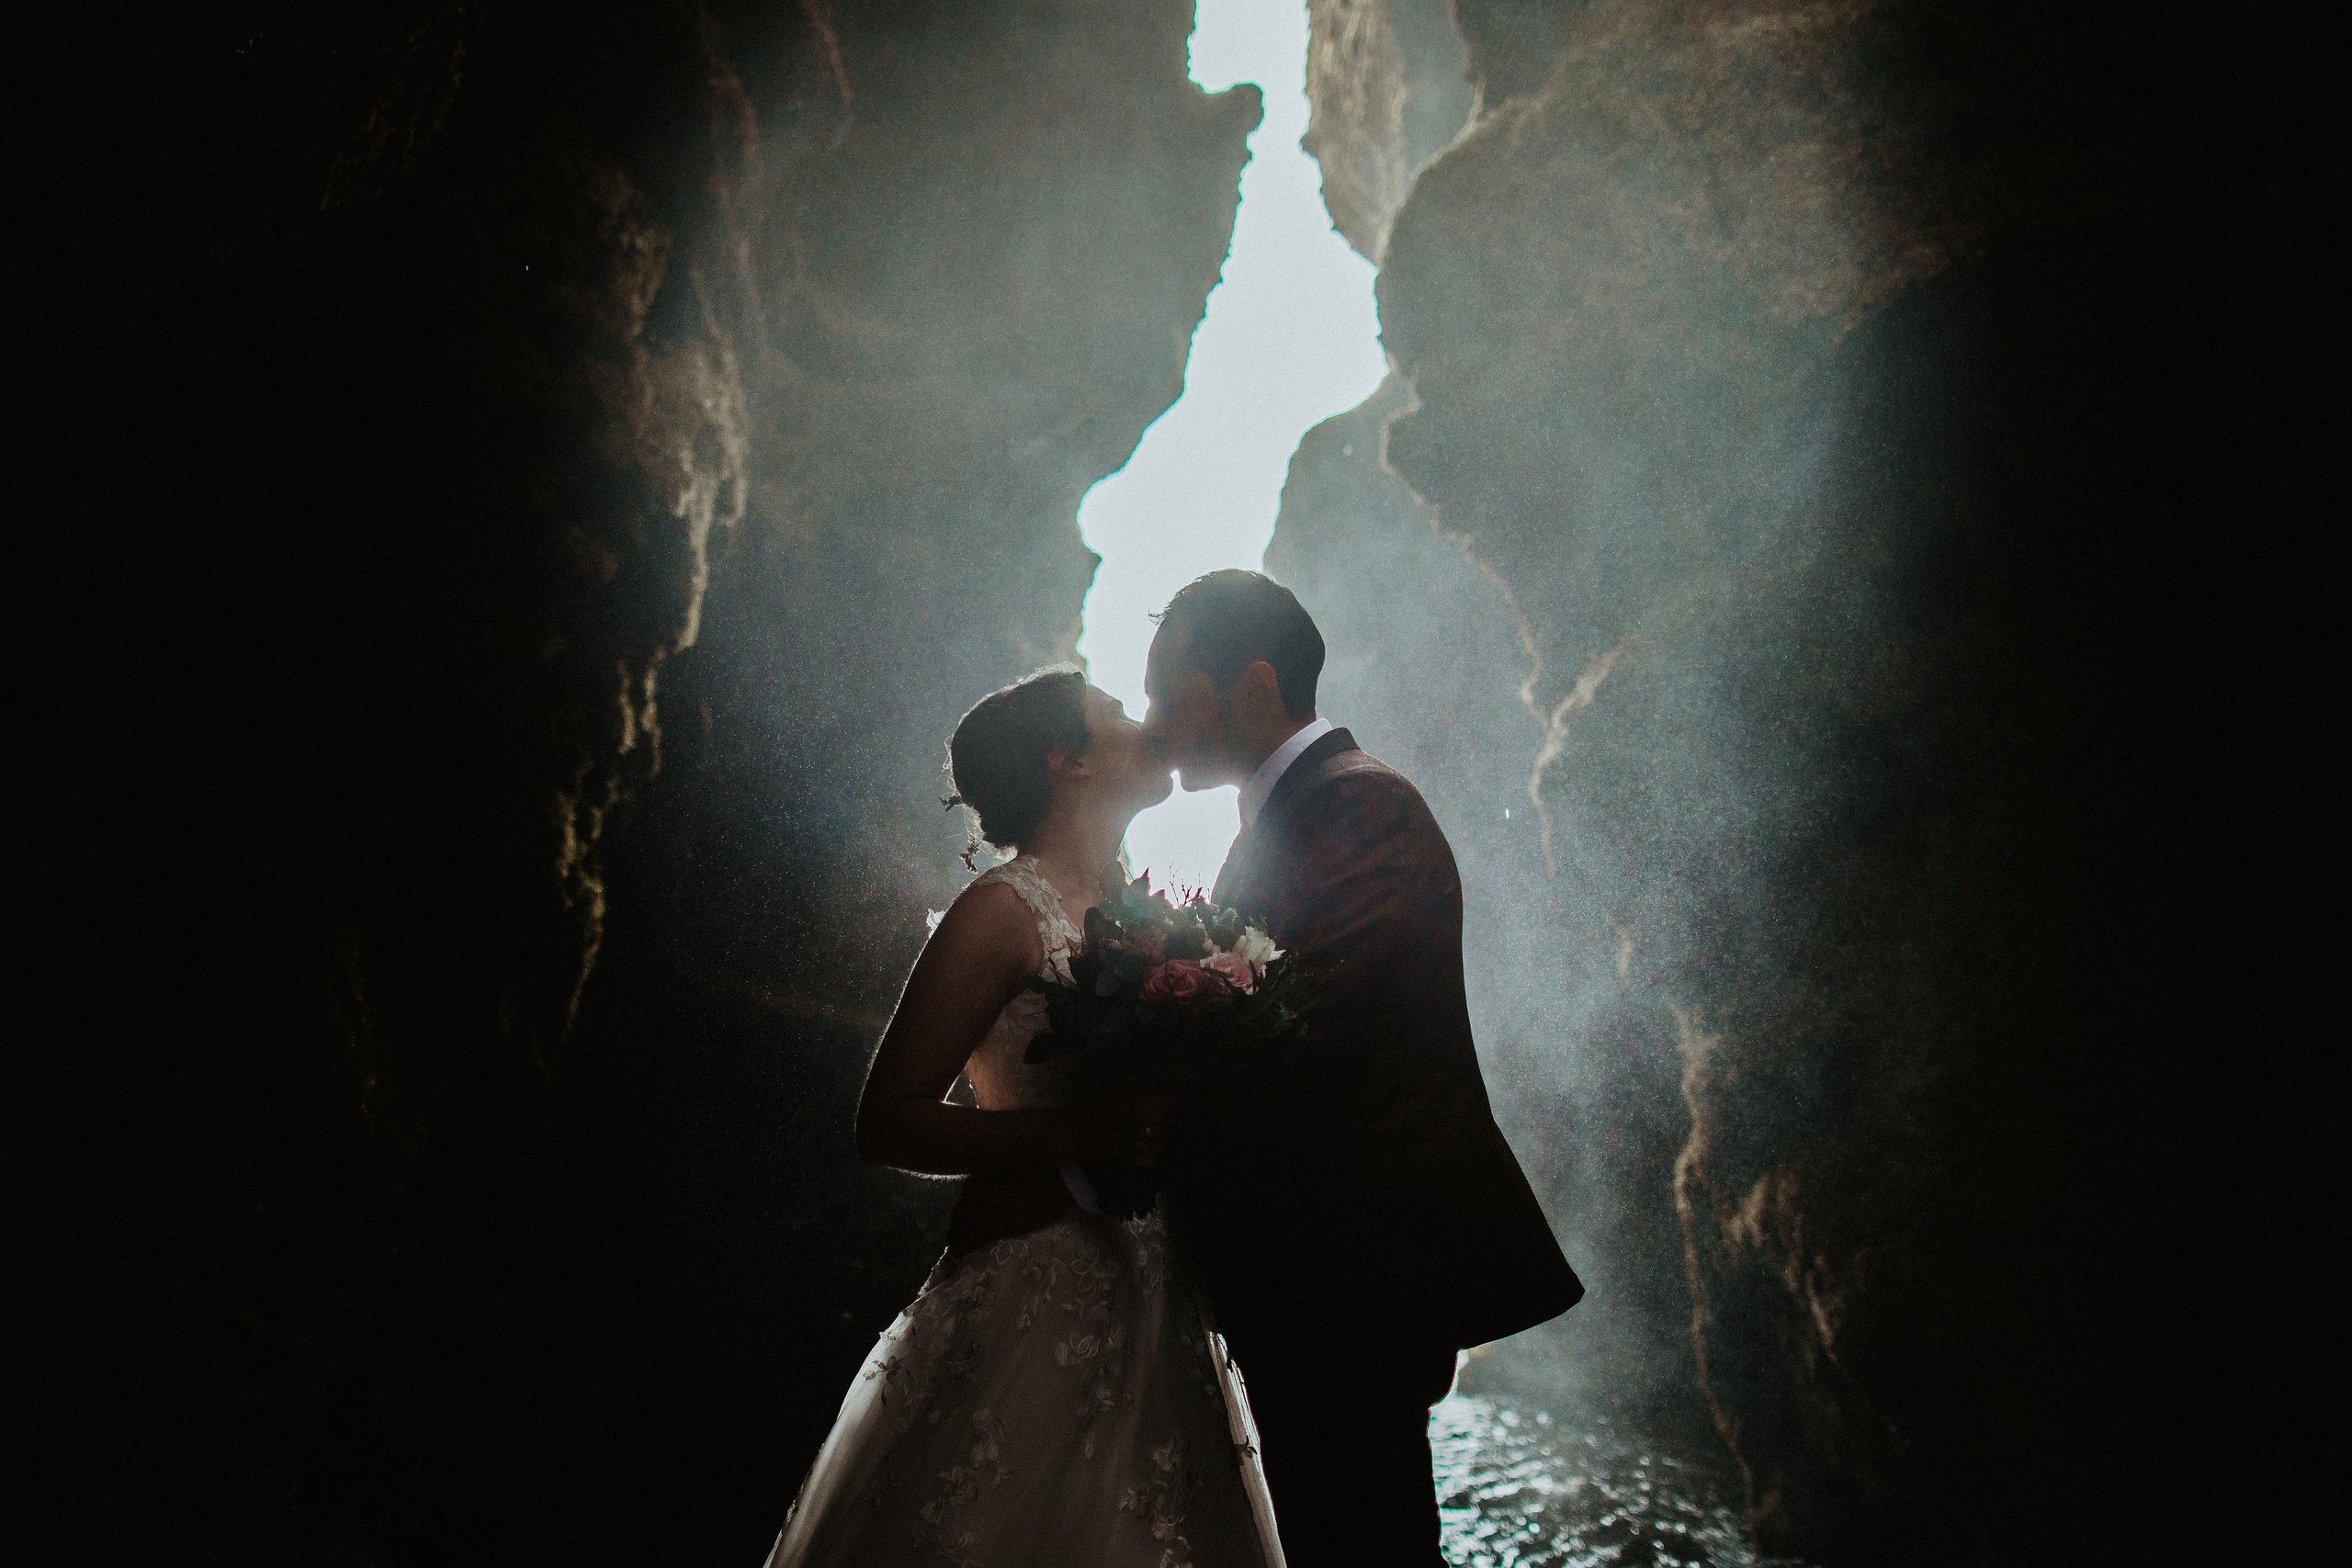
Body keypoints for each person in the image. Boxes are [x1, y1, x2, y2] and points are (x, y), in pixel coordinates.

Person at [762, 666, 1277, 1568]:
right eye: (1114, 712)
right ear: (1064, 762)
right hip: (1037, 1287)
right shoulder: (999, 914)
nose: (1144, 721)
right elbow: (885, 1122)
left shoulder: (1149, 917)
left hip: (1158, 1291)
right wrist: (1066, 1135)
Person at [1147, 570, 1584, 1568]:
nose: (1157, 725)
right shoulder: (1292, 816)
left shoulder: (1362, 807)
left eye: (1170, 694)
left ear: (1253, 686)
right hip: (1313, 1276)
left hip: (1350, 1280)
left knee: (1361, 1539)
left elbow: (1318, 1025)